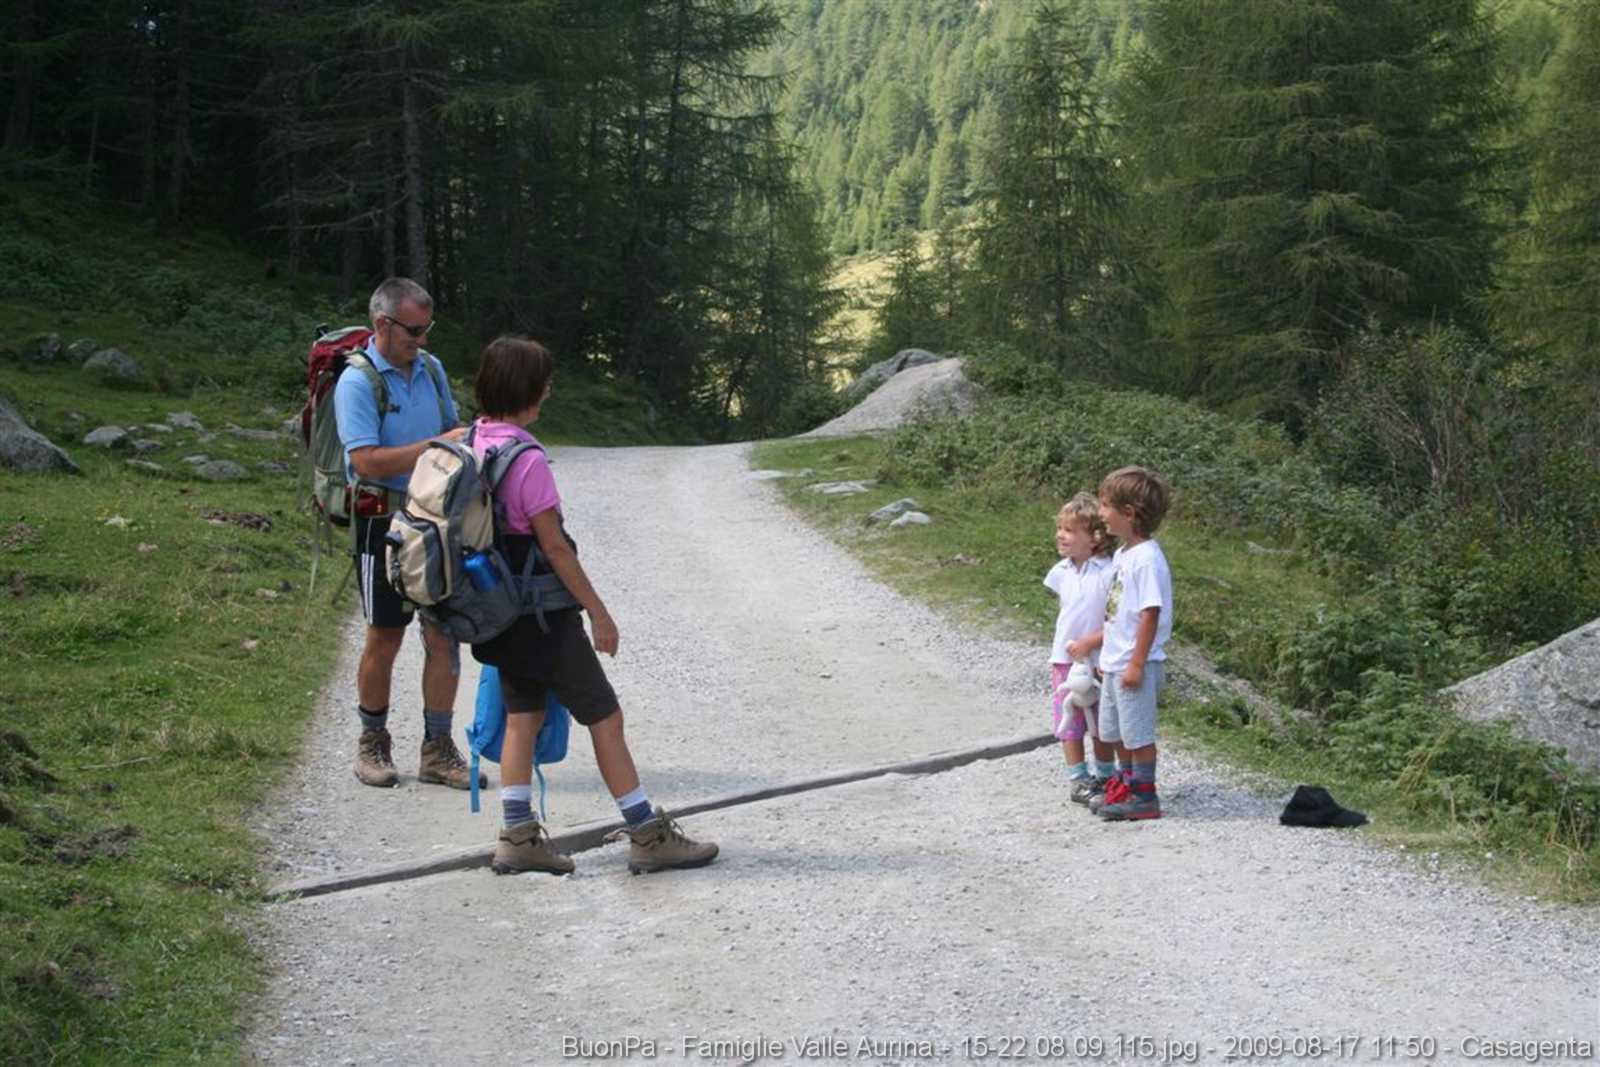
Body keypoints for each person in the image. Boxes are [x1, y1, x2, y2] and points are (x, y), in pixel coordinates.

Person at [467, 335, 718, 876]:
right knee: (605, 716)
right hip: (543, 616)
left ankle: (517, 836)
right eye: (545, 384)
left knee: (522, 718)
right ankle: (647, 835)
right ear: (531, 391)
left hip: (500, 613)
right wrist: (599, 614)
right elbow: (555, 547)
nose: (549, 391)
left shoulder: (474, 440)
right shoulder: (527, 459)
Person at [334, 276, 478, 790]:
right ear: (383, 324)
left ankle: (437, 749)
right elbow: (366, 461)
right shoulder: (357, 382)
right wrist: (437, 444)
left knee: (443, 635)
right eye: (414, 330)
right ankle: (372, 742)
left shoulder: (431, 369)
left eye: (426, 329)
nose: (422, 339)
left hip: (436, 520)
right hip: (382, 523)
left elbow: (453, 429)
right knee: (385, 636)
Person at [1091, 466, 1173, 821]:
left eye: (1105, 505)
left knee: (1137, 734)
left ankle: (1144, 796)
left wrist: (1137, 664)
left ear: (1129, 513)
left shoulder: (1148, 560)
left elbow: (1149, 613)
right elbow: (1117, 611)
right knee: (1115, 732)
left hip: (1134, 662)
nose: (1100, 513)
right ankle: (1124, 784)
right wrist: (1106, 655)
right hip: (1115, 660)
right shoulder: (1124, 554)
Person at [1042, 493, 1117, 805]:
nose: (1061, 535)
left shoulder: (1108, 571)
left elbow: (1116, 619)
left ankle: (1105, 775)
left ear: (1095, 537)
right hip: (1065, 658)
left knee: (1102, 721)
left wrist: (1092, 641)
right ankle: (1078, 778)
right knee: (1069, 716)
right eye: (1060, 528)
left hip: (1100, 658)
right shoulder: (1061, 571)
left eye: (1070, 530)